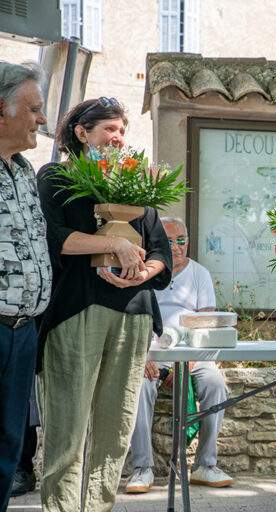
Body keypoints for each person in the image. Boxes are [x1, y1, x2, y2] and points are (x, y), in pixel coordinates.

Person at [36, 97, 172, 511]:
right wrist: (114, 243)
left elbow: (161, 254)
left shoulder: (135, 183)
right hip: (77, 310)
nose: (118, 138)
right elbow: (53, 238)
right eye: (110, 129)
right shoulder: (55, 176)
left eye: (122, 131)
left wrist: (140, 269)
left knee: (116, 433)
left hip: (133, 316)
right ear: (81, 133)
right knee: (68, 429)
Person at [126, 216, 233, 493]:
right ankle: (142, 468)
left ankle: (206, 465)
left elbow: (207, 326)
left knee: (215, 383)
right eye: (169, 241)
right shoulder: (144, 273)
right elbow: (134, 320)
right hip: (151, 353)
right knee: (139, 388)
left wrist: (187, 362)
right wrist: (144, 356)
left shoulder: (200, 275)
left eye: (181, 240)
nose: (175, 247)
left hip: (193, 354)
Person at [0, 60, 52, 511]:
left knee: (10, 448)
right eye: (34, 109)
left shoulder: (23, 173)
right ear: (1, 109)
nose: (42, 119)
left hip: (23, 332)